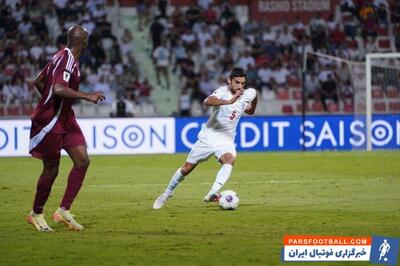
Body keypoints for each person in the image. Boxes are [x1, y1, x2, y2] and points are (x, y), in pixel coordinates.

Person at [27, 26, 105, 232]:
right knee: (51, 169)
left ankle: (63, 211)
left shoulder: (60, 56)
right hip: (51, 121)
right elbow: (58, 88)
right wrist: (86, 96)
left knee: (82, 161)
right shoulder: (67, 59)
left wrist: (49, 100)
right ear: (85, 42)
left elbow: (39, 81)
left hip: (66, 117)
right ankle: (36, 213)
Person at [153, 68, 258, 209]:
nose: (239, 86)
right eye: (236, 82)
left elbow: (251, 105)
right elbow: (208, 101)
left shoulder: (248, 93)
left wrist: (252, 104)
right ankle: (167, 193)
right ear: (229, 80)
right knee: (186, 169)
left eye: (242, 83)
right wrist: (228, 101)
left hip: (226, 140)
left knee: (229, 160)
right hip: (208, 138)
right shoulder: (222, 92)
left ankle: (213, 192)